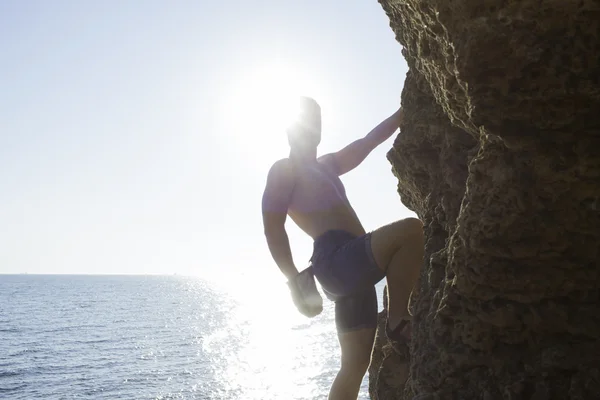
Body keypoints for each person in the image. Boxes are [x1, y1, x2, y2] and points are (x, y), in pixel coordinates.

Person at [261, 96, 424, 400]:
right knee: (411, 232)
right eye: (304, 120)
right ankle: (398, 319)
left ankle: (397, 320)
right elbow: (272, 227)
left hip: (353, 267)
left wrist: (406, 109)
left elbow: (369, 141)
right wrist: (295, 279)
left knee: (354, 366)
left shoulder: (328, 165)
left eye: (316, 120)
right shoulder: (285, 169)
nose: (312, 127)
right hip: (336, 261)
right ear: (289, 130)